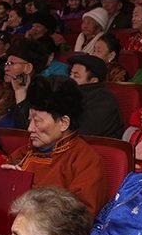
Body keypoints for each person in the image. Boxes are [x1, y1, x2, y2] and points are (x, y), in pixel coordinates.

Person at [8, 76, 107, 215]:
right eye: (29, 120)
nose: (30, 128)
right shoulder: (22, 153)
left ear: (64, 123)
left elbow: (79, 218)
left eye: (37, 121)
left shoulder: (86, 161)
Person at [67, 54, 123, 138]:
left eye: (76, 76)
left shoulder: (104, 100)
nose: (70, 78)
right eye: (70, 74)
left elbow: (86, 131)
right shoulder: (69, 93)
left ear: (93, 80)